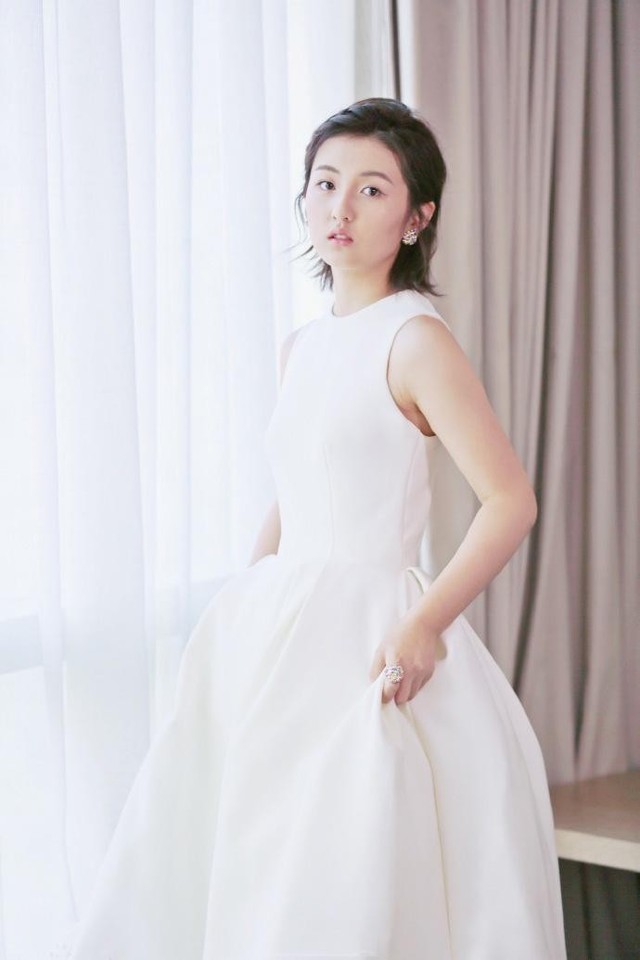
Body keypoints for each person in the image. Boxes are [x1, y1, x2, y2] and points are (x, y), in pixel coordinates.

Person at [58, 97, 567, 959]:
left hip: (370, 634)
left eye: (372, 189)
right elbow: (295, 490)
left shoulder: (416, 340)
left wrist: (424, 624)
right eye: (326, 184)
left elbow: (510, 500)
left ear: (417, 217)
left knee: (343, 860)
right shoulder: (303, 346)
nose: (341, 207)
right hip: (281, 624)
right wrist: (250, 589)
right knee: (249, 855)